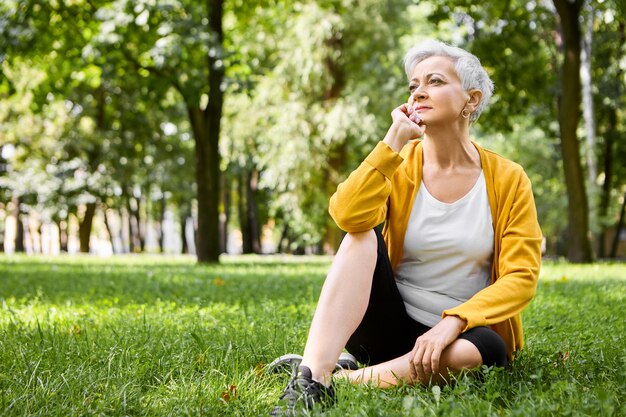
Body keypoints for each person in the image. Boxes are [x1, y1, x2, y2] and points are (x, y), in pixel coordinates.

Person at [269, 39, 542, 416]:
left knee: (484, 349)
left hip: (458, 338)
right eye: (414, 86)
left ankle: (343, 378)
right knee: (362, 234)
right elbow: (347, 214)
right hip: (386, 325)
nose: (420, 92)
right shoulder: (400, 162)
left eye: (434, 81)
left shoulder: (509, 179)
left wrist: (455, 321)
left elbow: (521, 277)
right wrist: (393, 139)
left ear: (471, 100)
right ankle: (311, 379)